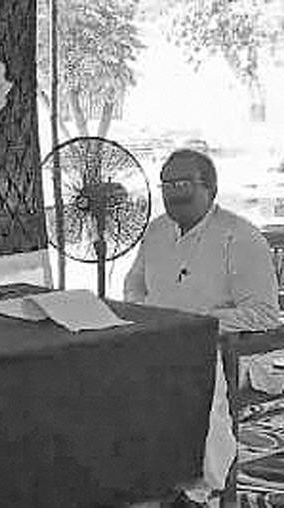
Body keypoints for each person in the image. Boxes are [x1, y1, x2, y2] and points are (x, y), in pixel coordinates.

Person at [124, 149, 280, 506]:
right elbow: (133, 286)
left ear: (210, 187)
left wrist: (196, 325)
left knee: (180, 375)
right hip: (159, 341)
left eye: (183, 184)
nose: (173, 192)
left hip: (226, 350)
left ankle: (195, 486)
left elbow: (265, 314)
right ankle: (142, 478)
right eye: (166, 184)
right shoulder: (157, 230)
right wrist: (152, 318)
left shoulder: (239, 237)